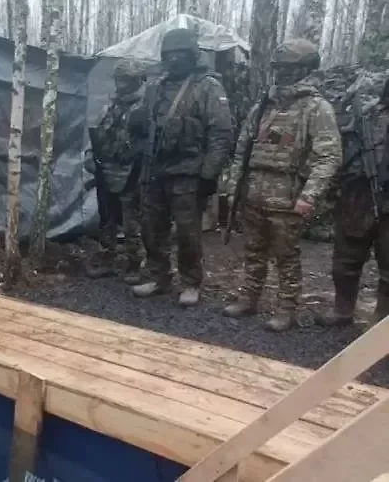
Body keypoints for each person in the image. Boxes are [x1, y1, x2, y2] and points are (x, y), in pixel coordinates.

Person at [223, 38, 341, 332]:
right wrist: (233, 186)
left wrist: (309, 196)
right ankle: (249, 297)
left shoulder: (316, 108)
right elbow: (242, 150)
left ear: (306, 69)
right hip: (254, 192)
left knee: (286, 257)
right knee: (253, 250)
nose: (283, 73)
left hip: (288, 196)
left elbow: (328, 157)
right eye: (279, 67)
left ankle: (287, 308)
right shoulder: (263, 105)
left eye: (290, 68)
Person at [131, 28, 234, 306]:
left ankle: (190, 282)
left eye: (180, 54)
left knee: (188, 232)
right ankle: (158, 276)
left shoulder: (207, 87)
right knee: (152, 228)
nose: (174, 59)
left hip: (188, 172)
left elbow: (221, 132)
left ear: (192, 55)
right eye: (169, 54)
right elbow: (143, 128)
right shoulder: (156, 87)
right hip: (155, 170)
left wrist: (209, 173)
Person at [317, 78, 389, 330]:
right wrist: (332, 188)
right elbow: (339, 151)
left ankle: (381, 323)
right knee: (345, 261)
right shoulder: (365, 116)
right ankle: (342, 311)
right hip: (357, 197)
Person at [84, 58, 149, 283]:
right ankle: (107, 259)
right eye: (119, 79)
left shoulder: (147, 107)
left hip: (133, 171)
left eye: (126, 79)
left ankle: (135, 264)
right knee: (107, 219)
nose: (121, 83)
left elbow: (152, 143)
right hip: (107, 168)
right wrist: (89, 155)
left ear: (138, 80)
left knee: (132, 223)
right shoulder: (111, 104)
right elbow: (97, 132)